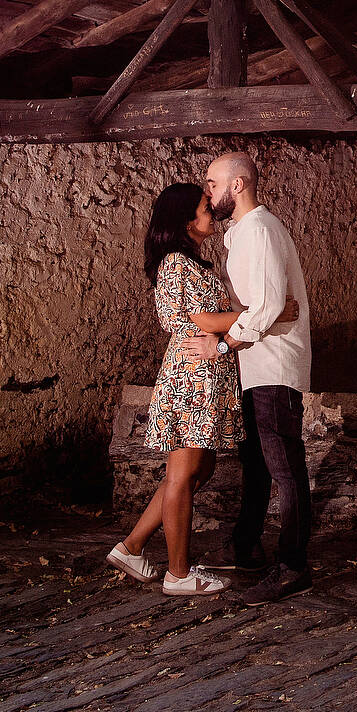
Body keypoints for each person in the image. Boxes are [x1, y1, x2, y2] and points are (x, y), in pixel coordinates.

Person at [105, 182, 295, 597]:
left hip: (204, 374)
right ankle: (178, 574)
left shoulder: (189, 262)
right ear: (186, 221)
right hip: (192, 376)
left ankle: (132, 547)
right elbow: (200, 320)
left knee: (198, 469)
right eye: (205, 208)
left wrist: (249, 315)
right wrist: (265, 310)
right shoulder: (175, 263)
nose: (213, 213)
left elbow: (208, 318)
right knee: (183, 471)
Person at [181, 151, 314, 605]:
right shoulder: (244, 233)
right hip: (259, 363)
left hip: (274, 365)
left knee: (284, 468)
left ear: (238, 186)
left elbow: (268, 307)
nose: (209, 191)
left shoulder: (258, 231)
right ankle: (246, 546)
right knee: (257, 461)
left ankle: (293, 565)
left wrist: (220, 344)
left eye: (213, 183)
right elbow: (264, 307)